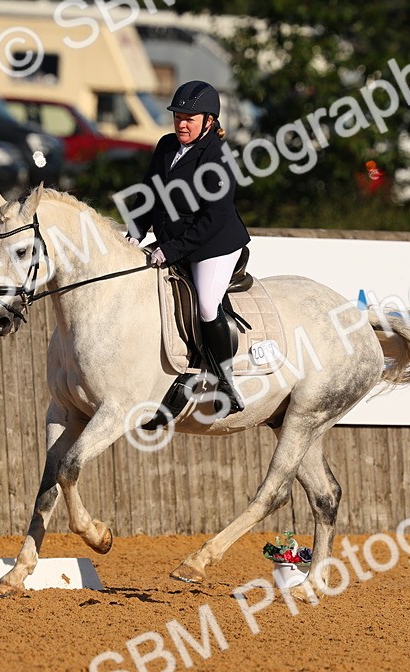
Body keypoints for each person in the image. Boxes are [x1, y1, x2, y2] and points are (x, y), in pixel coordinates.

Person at [127, 80, 250, 422]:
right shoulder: (167, 146)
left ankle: (224, 381)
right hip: (174, 242)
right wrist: (134, 235)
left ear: (209, 121)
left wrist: (170, 249)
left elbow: (215, 218)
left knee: (207, 304)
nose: (181, 123)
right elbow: (148, 195)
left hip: (215, 245)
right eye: (178, 116)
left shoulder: (218, 157)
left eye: (189, 118)